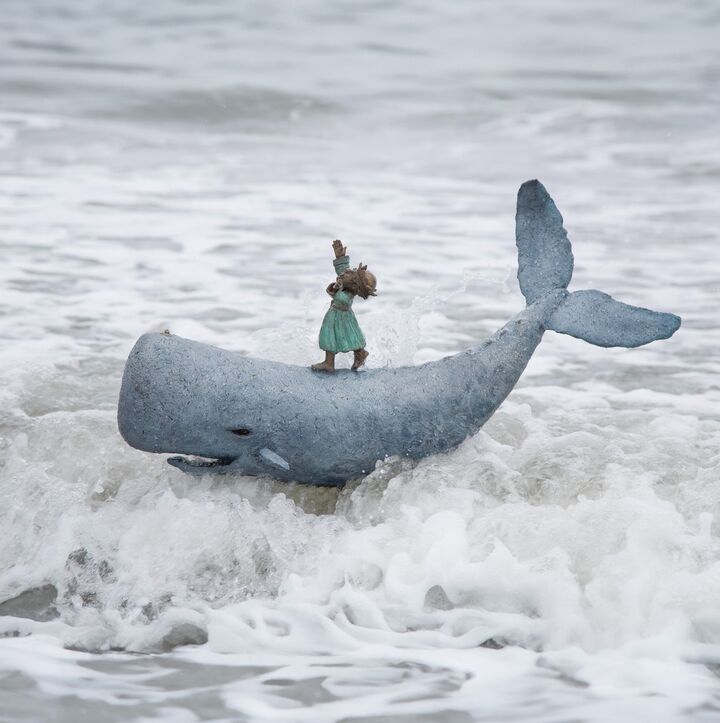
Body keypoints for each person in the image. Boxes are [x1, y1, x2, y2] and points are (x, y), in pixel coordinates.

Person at [311, 239, 376, 373]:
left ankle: (355, 355)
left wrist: (336, 290)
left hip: (339, 318)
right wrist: (340, 257)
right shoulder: (347, 281)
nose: (346, 272)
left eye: (350, 273)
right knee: (343, 337)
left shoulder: (347, 295)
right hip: (338, 317)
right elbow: (342, 270)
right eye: (350, 270)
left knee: (331, 337)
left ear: (354, 285)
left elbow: (342, 299)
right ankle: (333, 361)